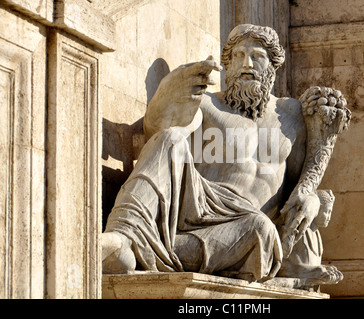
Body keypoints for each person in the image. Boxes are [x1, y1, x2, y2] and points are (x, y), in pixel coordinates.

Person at [102, 24, 350, 283]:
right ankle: (123, 235)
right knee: (170, 138)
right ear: (227, 64)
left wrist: (313, 198)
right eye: (238, 56)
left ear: (273, 66)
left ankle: (145, 251)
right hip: (198, 207)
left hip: (247, 227)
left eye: (257, 57)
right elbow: (157, 131)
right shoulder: (209, 104)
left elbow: (298, 188)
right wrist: (166, 94)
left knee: (260, 229)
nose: (247, 64)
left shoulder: (291, 116)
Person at [277, 190, 344, 287]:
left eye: (330, 212)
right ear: (316, 210)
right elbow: (284, 268)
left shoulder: (316, 234)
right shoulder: (298, 231)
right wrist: (316, 272)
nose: (329, 217)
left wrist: (322, 270)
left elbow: (312, 266)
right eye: (326, 211)